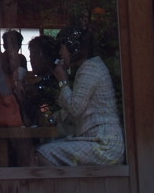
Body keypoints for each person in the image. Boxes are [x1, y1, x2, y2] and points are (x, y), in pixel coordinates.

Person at [35, 27, 124, 167]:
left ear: (73, 47)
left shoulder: (89, 68)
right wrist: (54, 117)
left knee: (44, 153)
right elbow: (75, 110)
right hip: (99, 141)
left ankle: (64, 189)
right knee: (49, 148)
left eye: (62, 48)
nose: (60, 53)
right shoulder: (91, 66)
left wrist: (62, 81)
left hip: (103, 145)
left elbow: (75, 108)